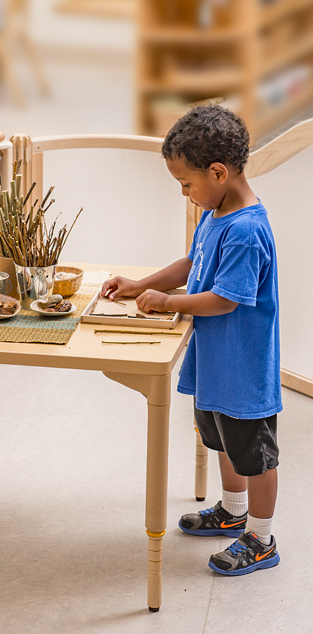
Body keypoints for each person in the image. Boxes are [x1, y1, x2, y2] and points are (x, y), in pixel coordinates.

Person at [102, 105, 282, 576]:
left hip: (243, 370)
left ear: (218, 172)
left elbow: (224, 299)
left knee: (254, 455)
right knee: (221, 442)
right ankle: (232, 511)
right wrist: (143, 285)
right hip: (214, 364)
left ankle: (261, 539)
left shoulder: (244, 230)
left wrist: (166, 303)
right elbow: (190, 264)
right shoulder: (216, 211)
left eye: (187, 183)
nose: (185, 193)